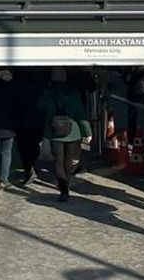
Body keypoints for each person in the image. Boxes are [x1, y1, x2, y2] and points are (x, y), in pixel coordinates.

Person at [39, 68, 92, 202]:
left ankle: (63, 190)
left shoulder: (49, 93)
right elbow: (81, 114)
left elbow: (40, 106)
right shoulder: (73, 93)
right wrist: (87, 131)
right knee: (68, 161)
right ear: (65, 77)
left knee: (58, 161)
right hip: (73, 132)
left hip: (55, 132)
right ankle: (66, 185)